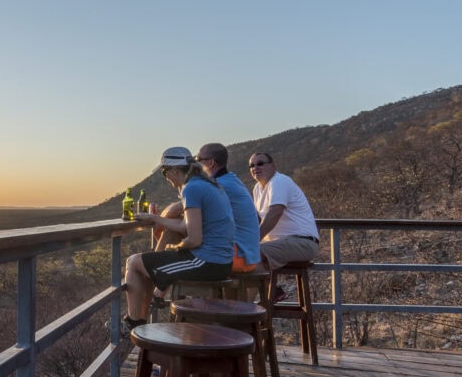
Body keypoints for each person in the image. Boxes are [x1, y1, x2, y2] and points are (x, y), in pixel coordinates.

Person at [114, 147, 235, 335]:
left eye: (164, 172)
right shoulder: (206, 184)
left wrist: (176, 247)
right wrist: (155, 219)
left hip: (207, 262)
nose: (166, 177)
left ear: (174, 171)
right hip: (221, 260)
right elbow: (186, 226)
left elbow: (194, 239)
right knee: (143, 262)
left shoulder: (192, 188)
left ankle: (134, 324)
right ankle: (139, 322)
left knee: (134, 262)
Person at [248, 152, 319, 300]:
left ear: (273, 166)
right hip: (280, 243)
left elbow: (275, 212)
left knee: (249, 253)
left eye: (260, 163)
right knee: (241, 253)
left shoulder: (279, 181)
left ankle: (242, 311)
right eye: (252, 165)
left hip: (302, 242)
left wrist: (253, 240)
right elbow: (257, 220)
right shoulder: (257, 189)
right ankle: (270, 291)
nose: (255, 168)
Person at [196, 143, 260, 273]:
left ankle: (157, 286)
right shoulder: (231, 180)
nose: (195, 164)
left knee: (176, 236)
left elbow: (177, 209)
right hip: (250, 255)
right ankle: (159, 286)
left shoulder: (219, 185)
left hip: (238, 256)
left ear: (211, 162)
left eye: (198, 160)